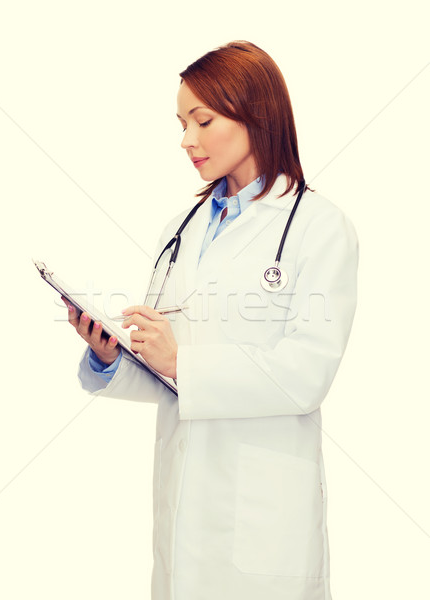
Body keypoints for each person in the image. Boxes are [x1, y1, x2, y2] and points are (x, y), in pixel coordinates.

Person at [64, 41, 358, 600]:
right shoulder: (181, 229)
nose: (186, 140)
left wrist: (184, 362)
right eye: (181, 123)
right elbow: (170, 376)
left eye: (203, 119)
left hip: (265, 517)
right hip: (182, 504)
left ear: (255, 114)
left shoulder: (319, 227)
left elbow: (307, 374)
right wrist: (113, 357)